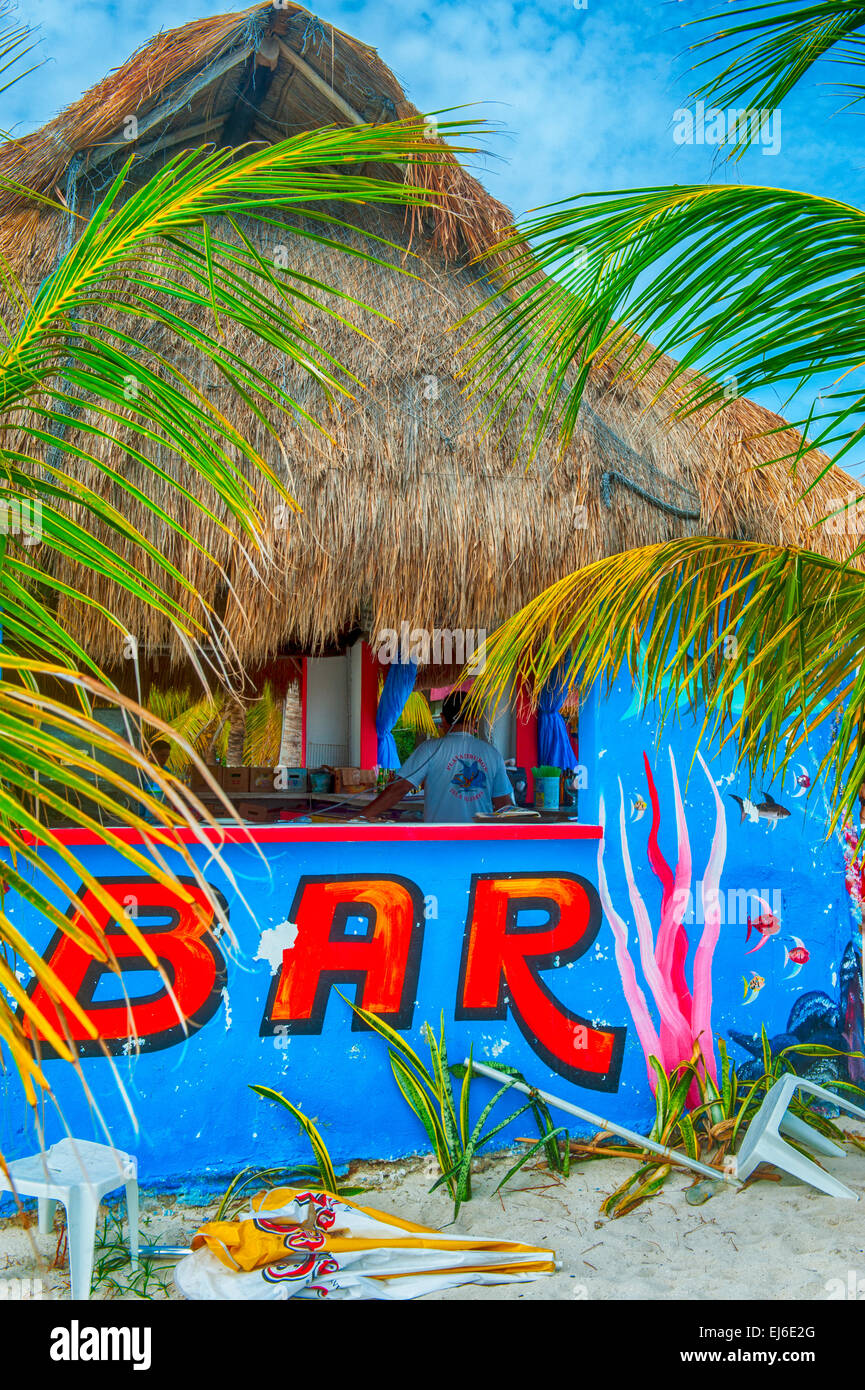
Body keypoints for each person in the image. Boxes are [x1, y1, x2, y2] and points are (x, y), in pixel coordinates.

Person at [362, 691, 514, 823]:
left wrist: (357, 819)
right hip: (478, 845)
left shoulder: (429, 749)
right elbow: (504, 805)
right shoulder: (492, 754)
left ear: (443, 718)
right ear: (474, 719)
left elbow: (398, 790)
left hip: (437, 841)